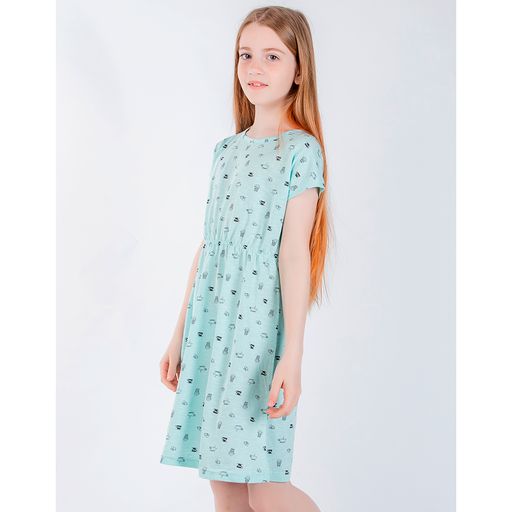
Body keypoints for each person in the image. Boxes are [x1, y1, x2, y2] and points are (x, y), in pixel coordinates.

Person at [159, 6, 332, 511]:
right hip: (210, 324)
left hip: (256, 332)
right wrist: (178, 334)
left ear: (298, 70)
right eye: (246, 55)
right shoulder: (226, 151)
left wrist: (292, 355)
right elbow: (209, 246)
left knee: (265, 484)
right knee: (224, 483)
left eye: (272, 56)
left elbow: (294, 255)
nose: (255, 68)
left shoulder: (300, 150)